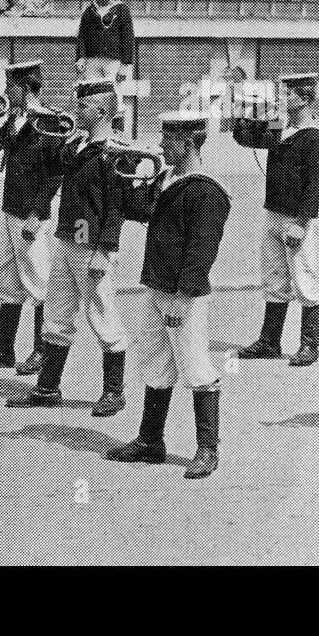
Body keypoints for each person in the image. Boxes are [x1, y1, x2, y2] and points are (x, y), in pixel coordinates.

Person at [106, 111, 231, 479]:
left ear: (189, 143)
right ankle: (150, 440)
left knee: (195, 365)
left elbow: (202, 250)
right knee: (156, 362)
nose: (162, 145)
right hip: (156, 284)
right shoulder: (168, 179)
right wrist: (126, 175)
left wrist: (183, 294)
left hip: (181, 293)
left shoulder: (205, 190)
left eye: (170, 140)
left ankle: (208, 448)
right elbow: (139, 211)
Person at [8, 79, 130, 415]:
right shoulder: (81, 146)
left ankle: (114, 391)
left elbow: (116, 207)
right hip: (67, 239)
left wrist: (106, 251)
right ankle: (48, 388)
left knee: (102, 316)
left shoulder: (115, 153)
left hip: (91, 246)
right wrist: (72, 143)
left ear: (102, 111)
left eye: (84, 107)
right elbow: (57, 169)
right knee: (57, 316)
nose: (78, 111)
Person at [0, 61, 61, 373]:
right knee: (9, 279)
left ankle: (41, 350)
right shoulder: (15, 118)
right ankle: (4, 349)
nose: (6, 91)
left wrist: (36, 213)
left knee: (38, 280)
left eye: (11, 86)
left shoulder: (47, 122)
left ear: (27, 87)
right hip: (12, 208)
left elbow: (54, 174)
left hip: (31, 214)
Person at [233, 73, 319, 367]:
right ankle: (270, 341)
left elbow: (317, 185)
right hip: (273, 213)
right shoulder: (283, 126)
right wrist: (244, 114)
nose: (281, 98)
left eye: (287, 94)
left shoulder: (316, 137)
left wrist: (301, 224)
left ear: (303, 98)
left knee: (305, 279)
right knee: (274, 277)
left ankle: (308, 345)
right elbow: (247, 138)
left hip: (296, 220)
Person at [76, 0, 134, 83]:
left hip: (113, 62)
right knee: (92, 95)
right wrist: (81, 58)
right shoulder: (89, 10)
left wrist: (125, 65)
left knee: (113, 95)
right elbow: (82, 36)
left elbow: (128, 38)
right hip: (92, 60)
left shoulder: (121, 10)